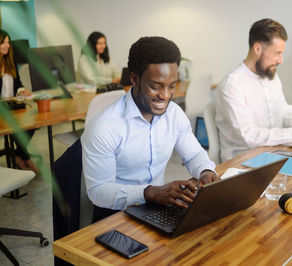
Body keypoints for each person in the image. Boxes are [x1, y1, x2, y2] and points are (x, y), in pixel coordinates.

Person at [82, 36, 219, 222]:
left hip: (158, 210)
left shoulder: (174, 114)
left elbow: (194, 154)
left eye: (171, 86)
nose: (165, 95)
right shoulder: (104, 126)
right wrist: (149, 193)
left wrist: (205, 171)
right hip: (115, 216)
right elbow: (99, 191)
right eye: (156, 86)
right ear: (134, 79)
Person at [215, 18, 292, 162]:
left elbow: (283, 112)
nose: (281, 60)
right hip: (244, 160)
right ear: (257, 49)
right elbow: (250, 136)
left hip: (276, 151)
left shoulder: (271, 75)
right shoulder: (232, 85)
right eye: (277, 53)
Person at [0, 29, 38, 174]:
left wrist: (22, 90)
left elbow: (18, 83)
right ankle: (24, 157)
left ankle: (19, 154)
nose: (7, 46)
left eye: (8, 42)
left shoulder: (10, 61)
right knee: (18, 127)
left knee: (33, 122)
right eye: (3, 42)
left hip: (12, 105)